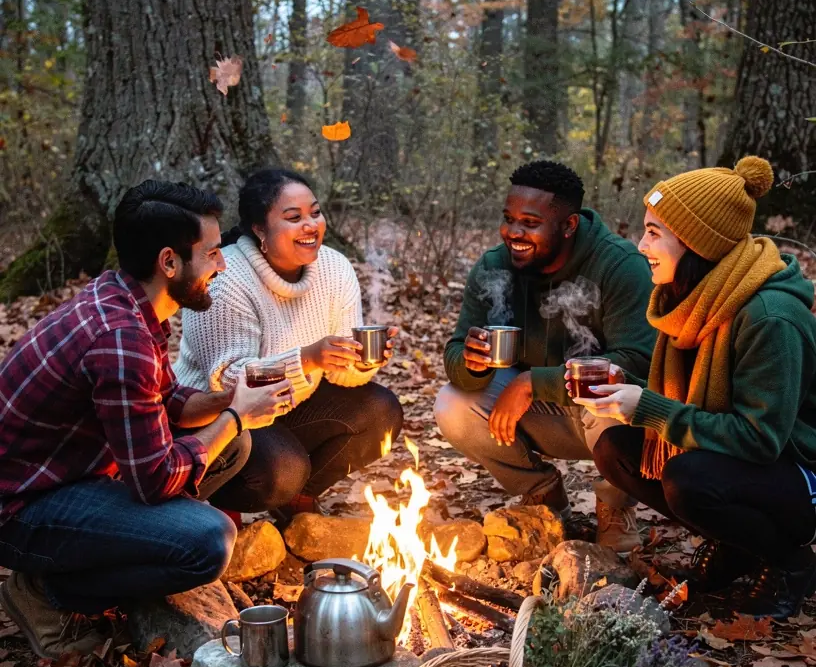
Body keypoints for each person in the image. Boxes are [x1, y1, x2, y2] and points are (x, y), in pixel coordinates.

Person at [0, 181, 294, 659]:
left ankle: (122, 551)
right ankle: (45, 594)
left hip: (74, 473)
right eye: (214, 253)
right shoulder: (120, 338)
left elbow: (168, 396)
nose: (222, 265)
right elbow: (154, 479)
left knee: (231, 447)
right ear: (169, 262)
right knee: (208, 541)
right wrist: (238, 416)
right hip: (23, 509)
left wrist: (227, 400)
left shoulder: (126, 299)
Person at [574, 156, 816, 620]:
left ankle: (792, 562)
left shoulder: (770, 317)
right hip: (755, 466)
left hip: (801, 472)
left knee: (689, 481)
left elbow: (759, 438)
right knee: (616, 450)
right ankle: (739, 544)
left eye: (654, 232)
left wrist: (649, 408)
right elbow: (697, 399)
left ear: (698, 242)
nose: (641, 244)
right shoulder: (690, 298)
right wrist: (628, 386)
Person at [434, 159, 655, 550]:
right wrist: (470, 362)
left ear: (568, 225)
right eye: (508, 219)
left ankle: (615, 505)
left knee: (616, 396)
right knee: (453, 403)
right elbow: (454, 352)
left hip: (601, 420)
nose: (513, 233)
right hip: (535, 414)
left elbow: (638, 361)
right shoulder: (493, 267)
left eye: (530, 224)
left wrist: (534, 383)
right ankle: (543, 494)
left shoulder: (620, 265)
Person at [176, 167, 403, 515]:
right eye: (294, 217)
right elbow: (226, 380)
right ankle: (221, 503)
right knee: (282, 470)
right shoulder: (226, 277)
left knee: (381, 411)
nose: (311, 225)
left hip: (293, 405)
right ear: (259, 229)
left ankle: (298, 503)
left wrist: (361, 362)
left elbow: (343, 377)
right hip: (218, 415)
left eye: (315, 212)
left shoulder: (335, 268)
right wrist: (309, 359)